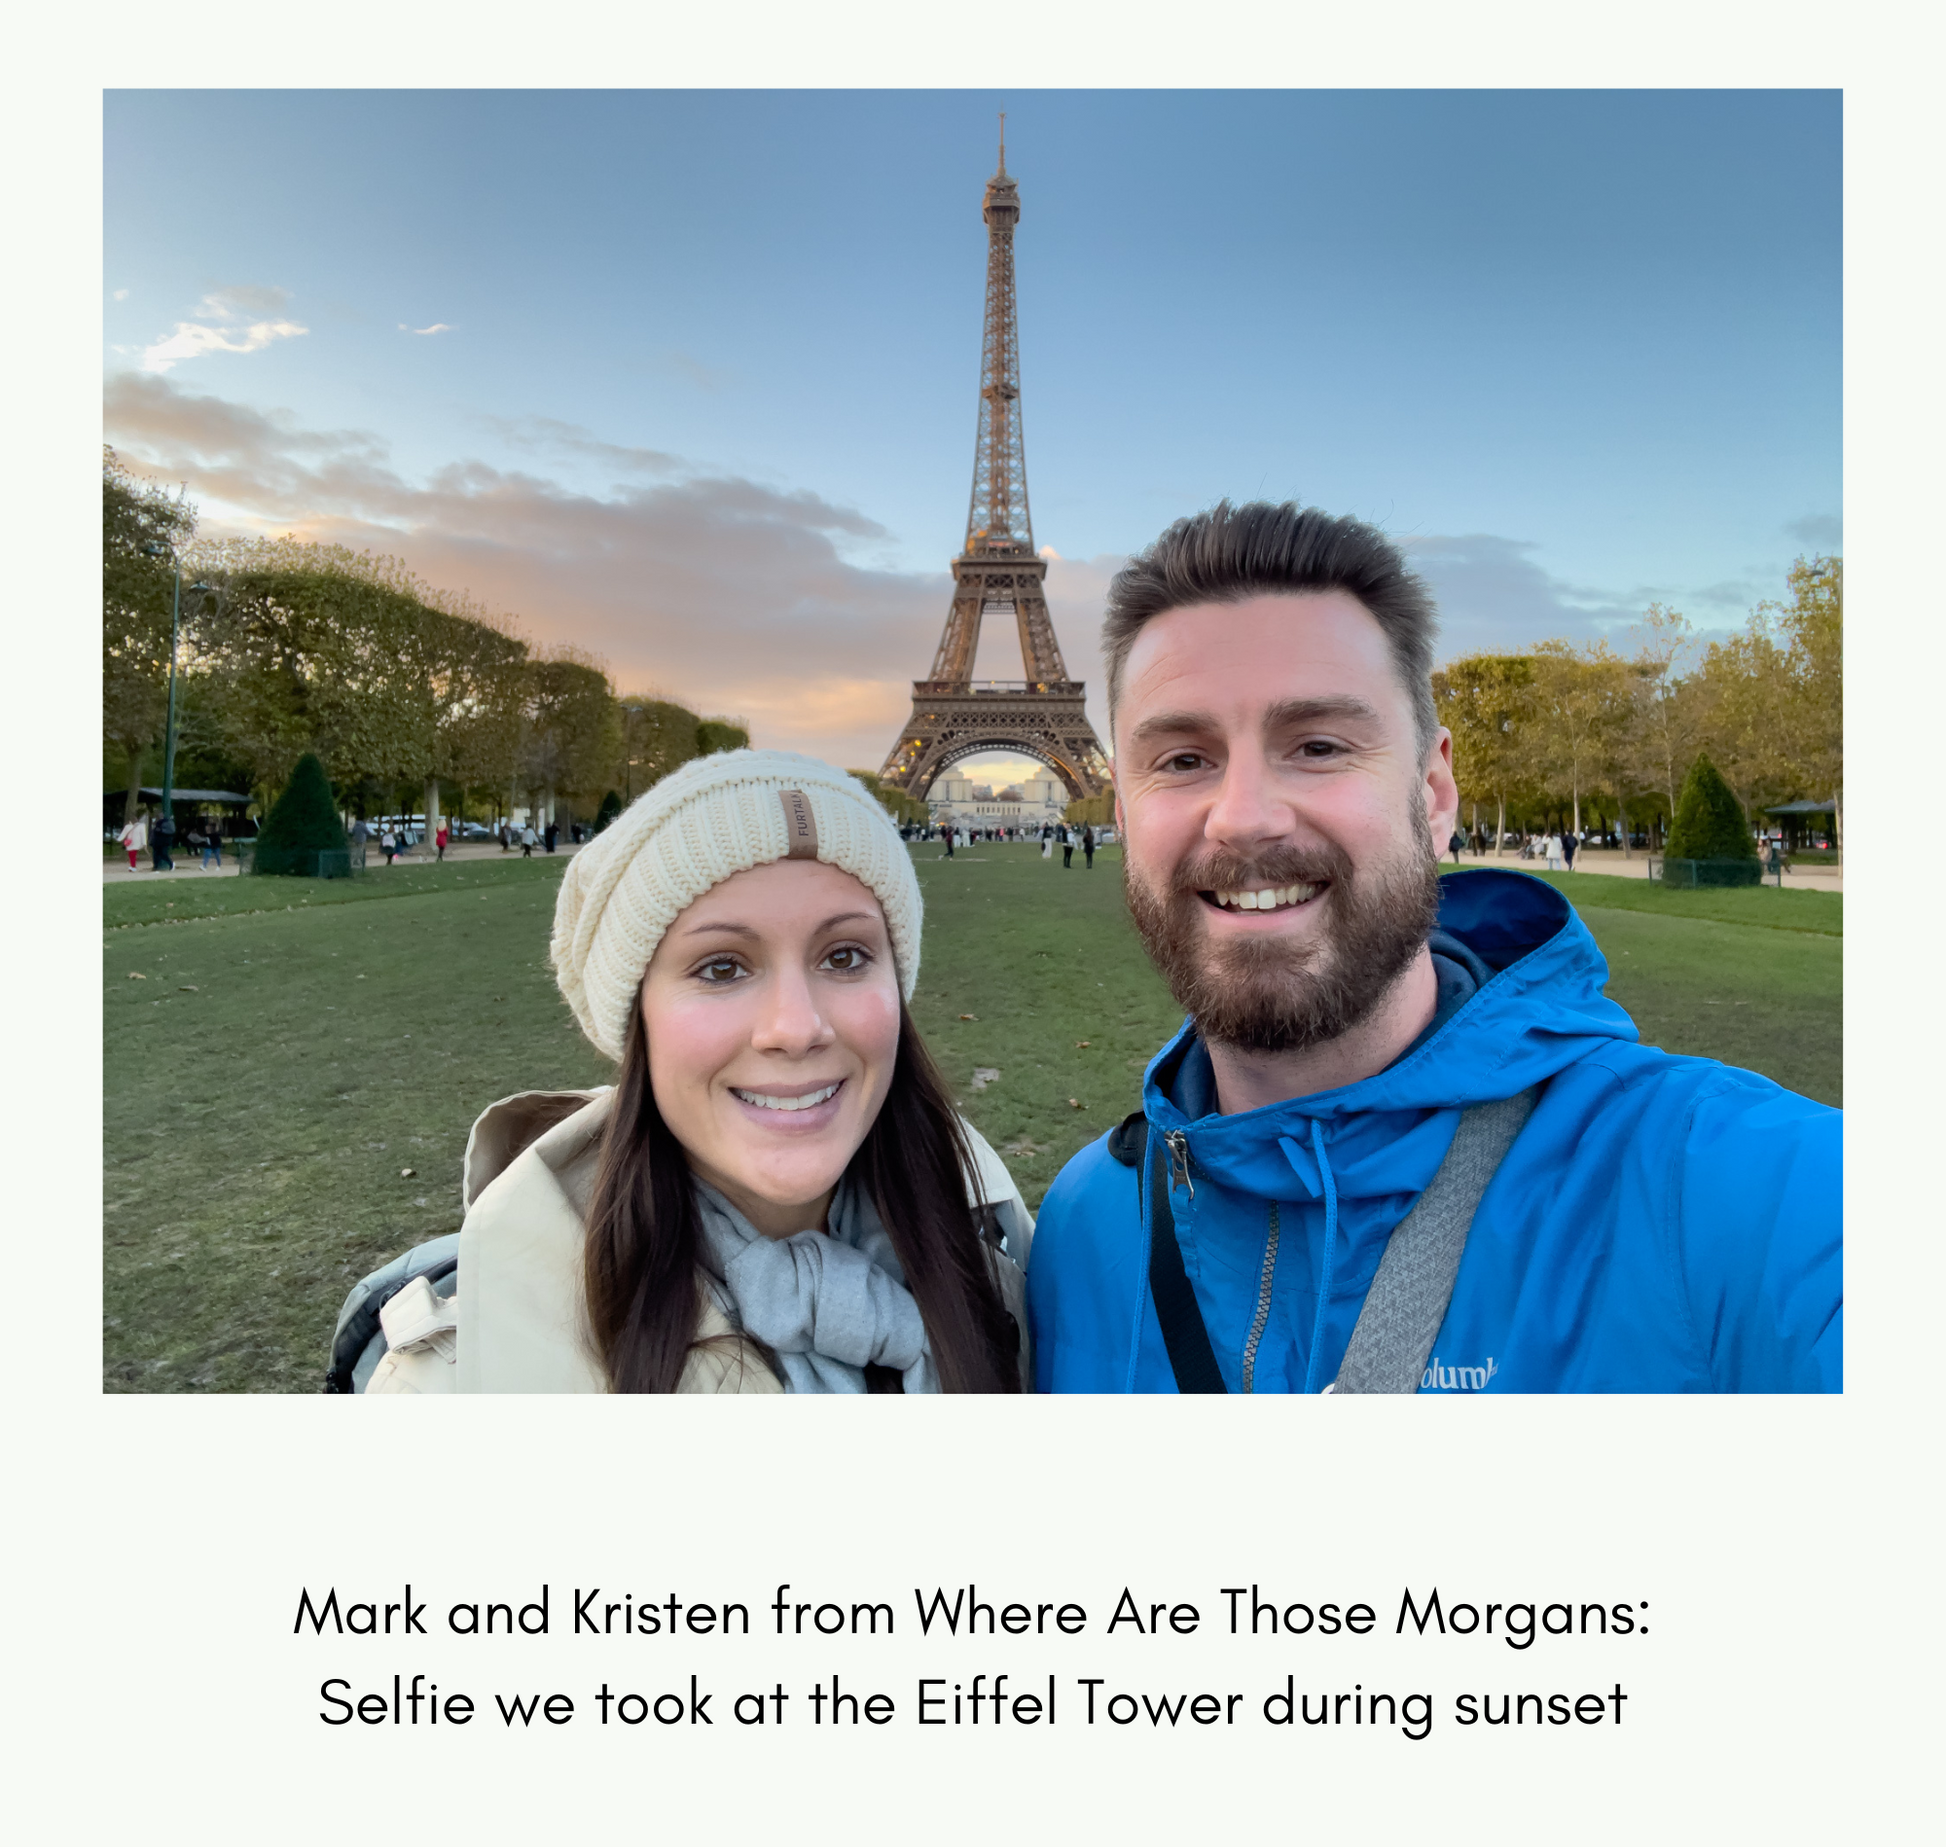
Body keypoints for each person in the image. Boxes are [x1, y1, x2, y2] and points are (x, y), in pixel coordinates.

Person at [1026, 499, 1840, 1394]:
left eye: (1319, 744)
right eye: (1182, 760)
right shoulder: (1079, 1229)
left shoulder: (1734, 1191)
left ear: (1435, 792)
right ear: (1122, 815)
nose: (1245, 815)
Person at [357, 750, 1031, 1394]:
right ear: (637, 1017)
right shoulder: (449, 1378)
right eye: (722, 967)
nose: (796, 1028)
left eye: (846, 956)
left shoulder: (1009, 1264)